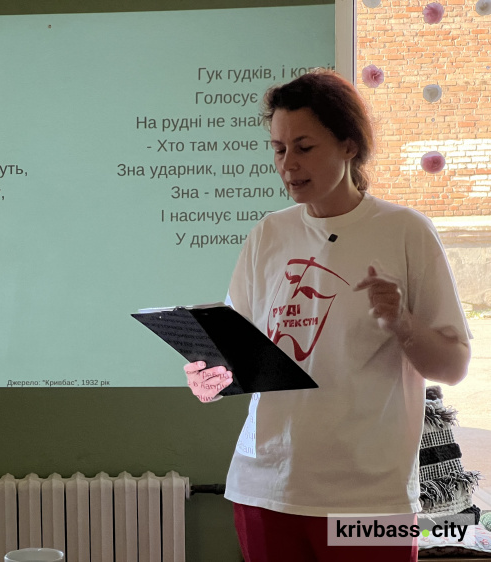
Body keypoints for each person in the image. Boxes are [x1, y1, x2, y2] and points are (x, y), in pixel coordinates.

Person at [184, 69, 471, 562]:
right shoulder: (268, 234)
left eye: (304, 147)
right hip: (264, 487)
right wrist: (209, 376)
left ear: (348, 146)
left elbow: (454, 366)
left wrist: (402, 323)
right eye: (278, 149)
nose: (288, 164)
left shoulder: (406, 231)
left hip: (369, 500)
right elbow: (237, 356)